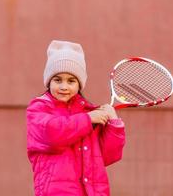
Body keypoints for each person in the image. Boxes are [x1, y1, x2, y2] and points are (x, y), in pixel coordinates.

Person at [26, 40, 125, 196]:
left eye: (71, 81)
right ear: (48, 82)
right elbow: (52, 135)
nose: (64, 86)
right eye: (57, 80)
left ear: (79, 84)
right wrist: (88, 119)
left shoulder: (89, 112)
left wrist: (114, 125)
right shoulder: (38, 109)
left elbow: (106, 156)